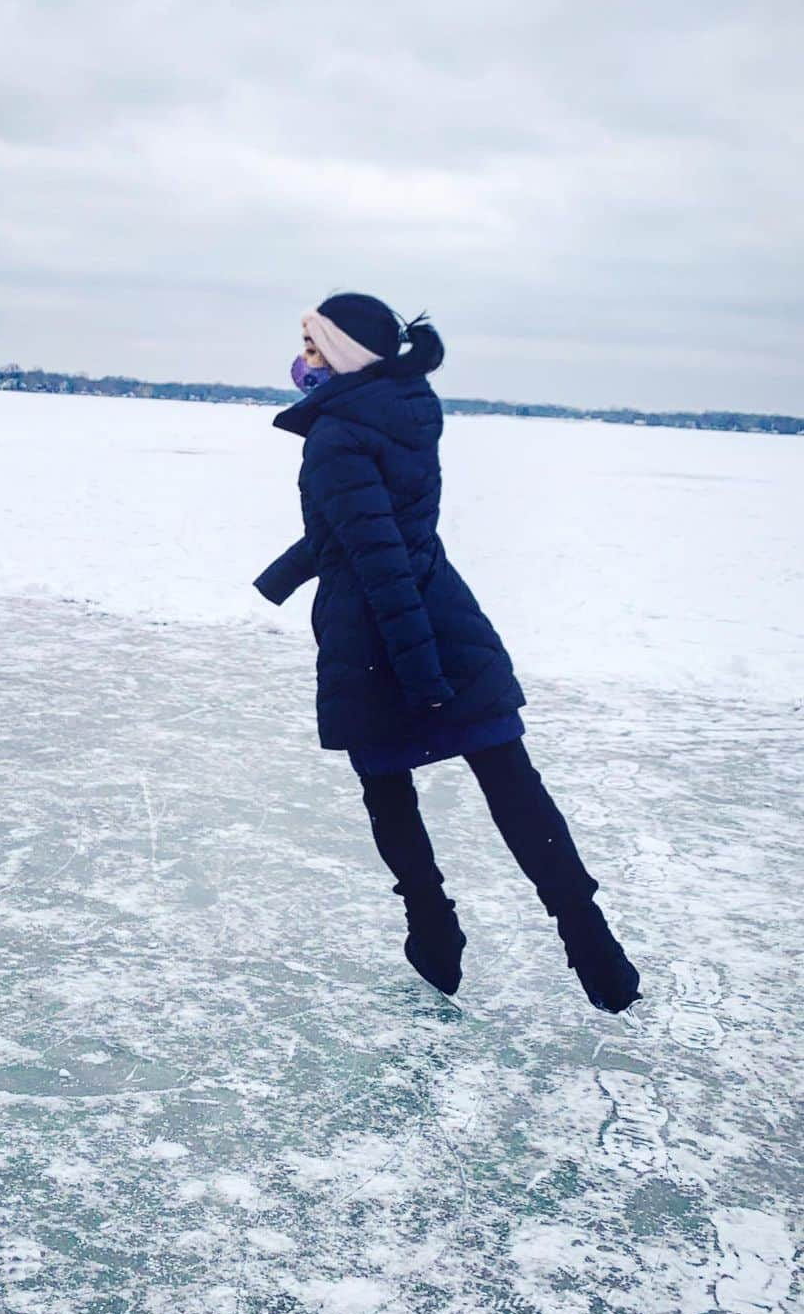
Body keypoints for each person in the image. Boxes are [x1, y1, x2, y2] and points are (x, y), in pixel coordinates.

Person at [253, 291, 642, 1014]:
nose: (300, 359)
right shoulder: (404, 407)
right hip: (443, 608)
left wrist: (422, 673)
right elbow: (373, 527)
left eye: (313, 346)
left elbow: (378, 559)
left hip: (383, 635)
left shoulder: (336, 434)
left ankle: (432, 927)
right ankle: (593, 942)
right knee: (510, 780)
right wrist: (285, 574)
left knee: (389, 787)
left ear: (343, 356)